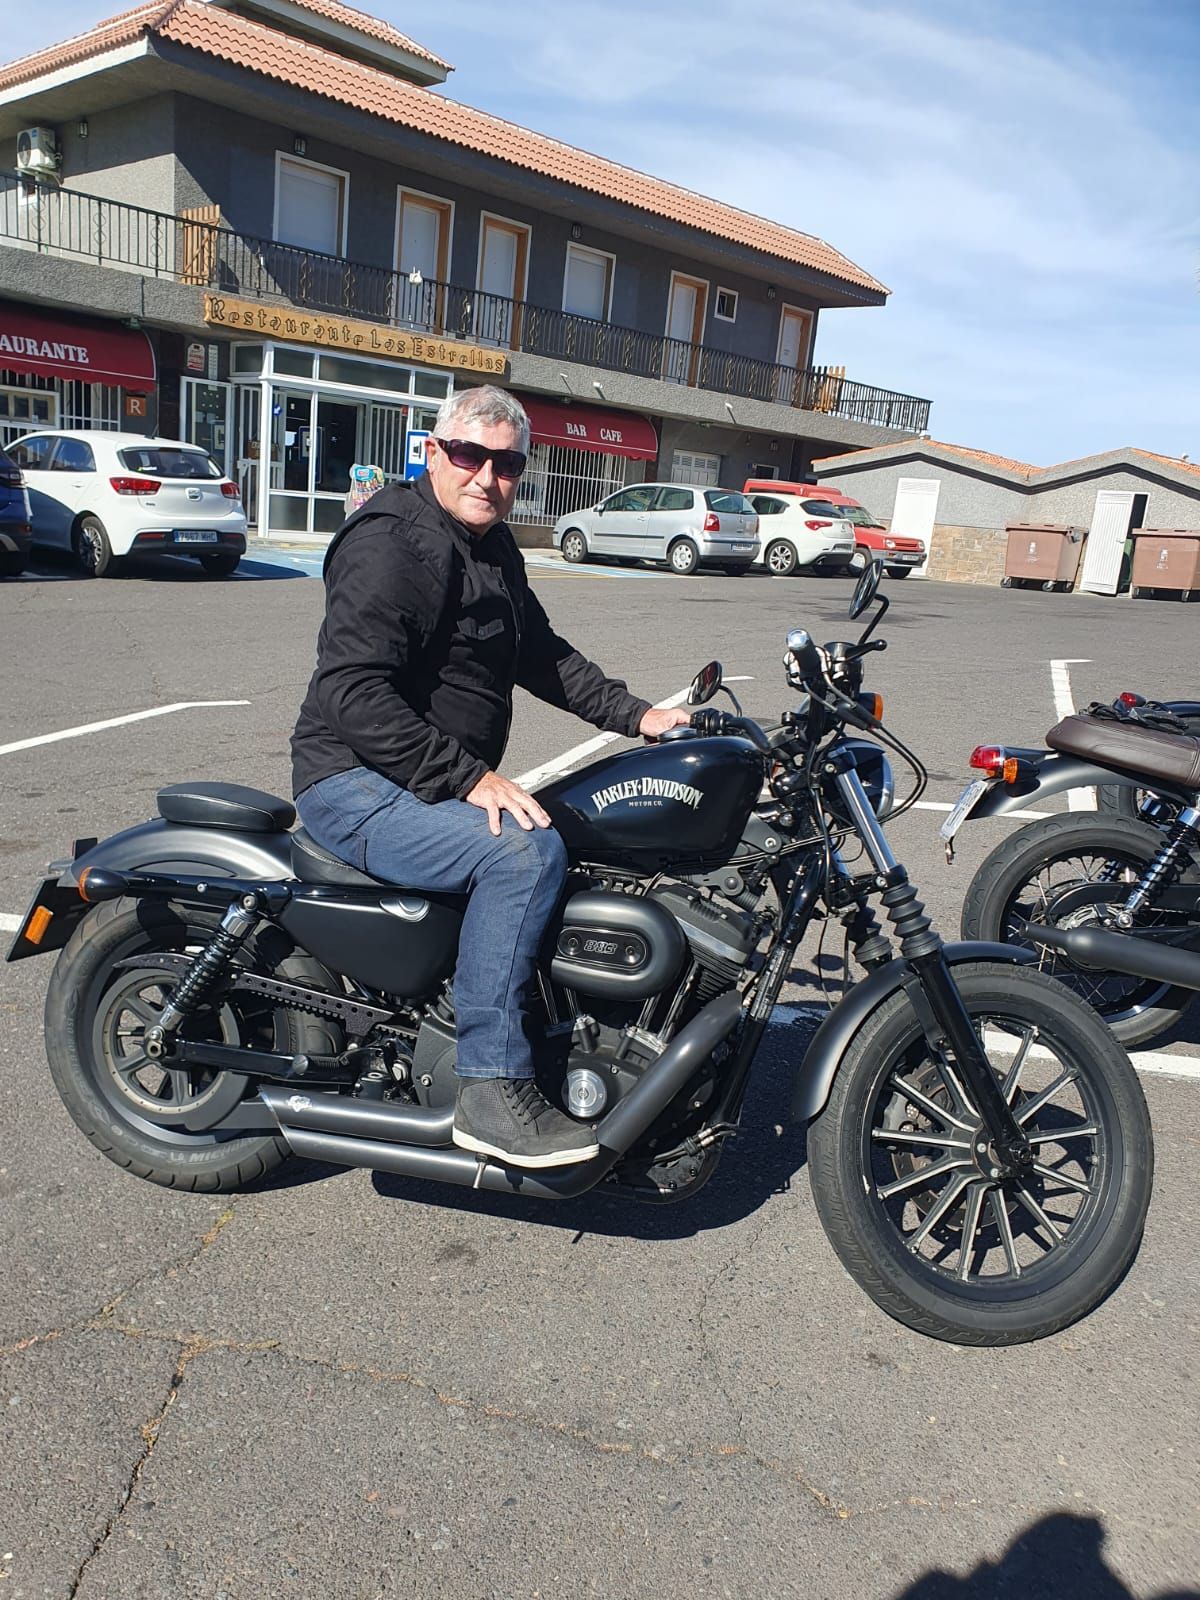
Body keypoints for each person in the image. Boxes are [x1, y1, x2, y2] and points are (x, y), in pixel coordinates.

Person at [291, 386, 689, 1169]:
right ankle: (488, 1087)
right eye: (470, 455)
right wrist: (468, 778)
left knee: (590, 833)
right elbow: (351, 692)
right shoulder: (391, 545)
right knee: (521, 852)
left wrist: (644, 717)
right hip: (355, 780)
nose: (486, 477)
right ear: (433, 453)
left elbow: (540, 655)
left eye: (506, 463)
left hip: (418, 779)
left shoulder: (489, 544)